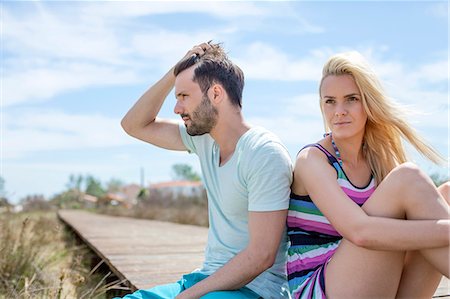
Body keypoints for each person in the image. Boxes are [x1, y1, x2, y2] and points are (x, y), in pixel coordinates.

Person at [120, 41, 293, 299]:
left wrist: (187, 297)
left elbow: (261, 256)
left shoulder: (263, 153)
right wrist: (175, 72)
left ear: (215, 94)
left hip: (254, 291)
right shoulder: (203, 139)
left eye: (183, 97)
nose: (177, 109)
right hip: (204, 280)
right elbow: (133, 124)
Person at [287, 51, 449, 298]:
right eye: (330, 101)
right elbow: (361, 233)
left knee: (446, 194)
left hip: (368, 281)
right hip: (319, 288)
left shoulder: (378, 158)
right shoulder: (313, 160)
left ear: (368, 103)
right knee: (409, 179)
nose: (339, 111)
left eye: (351, 99)